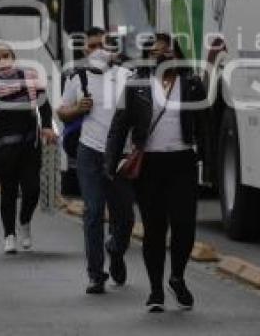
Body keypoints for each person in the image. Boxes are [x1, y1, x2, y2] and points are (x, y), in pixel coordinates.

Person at [106, 33, 207, 312]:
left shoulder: (192, 85)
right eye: (157, 54)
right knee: (154, 229)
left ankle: (177, 277)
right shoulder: (137, 85)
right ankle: (155, 290)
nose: (162, 58)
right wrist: (110, 165)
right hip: (149, 165)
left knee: (184, 226)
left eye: (168, 53)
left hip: (182, 163)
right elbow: (119, 126)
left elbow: (204, 125)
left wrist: (207, 162)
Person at [57, 27, 134, 294]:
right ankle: (95, 274)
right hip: (89, 152)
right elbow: (62, 111)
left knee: (125, 217)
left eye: (102, 45)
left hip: (119, 154)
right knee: (93, 211)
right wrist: (76, 109)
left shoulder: (126, 75)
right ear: (83, 50)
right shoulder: (77, 77)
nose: (97, 50)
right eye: (91, 46)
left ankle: (115, 249)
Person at [0, 43, 58, 254]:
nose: (2, 60)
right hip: (3, 148)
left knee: (32, 189)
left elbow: (44, 105)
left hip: (29, 146)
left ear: (13, 57)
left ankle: (24, 222)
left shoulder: (30, 77)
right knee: (8, 192)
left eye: (6, 55)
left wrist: (45, 127)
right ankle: (9, 235)